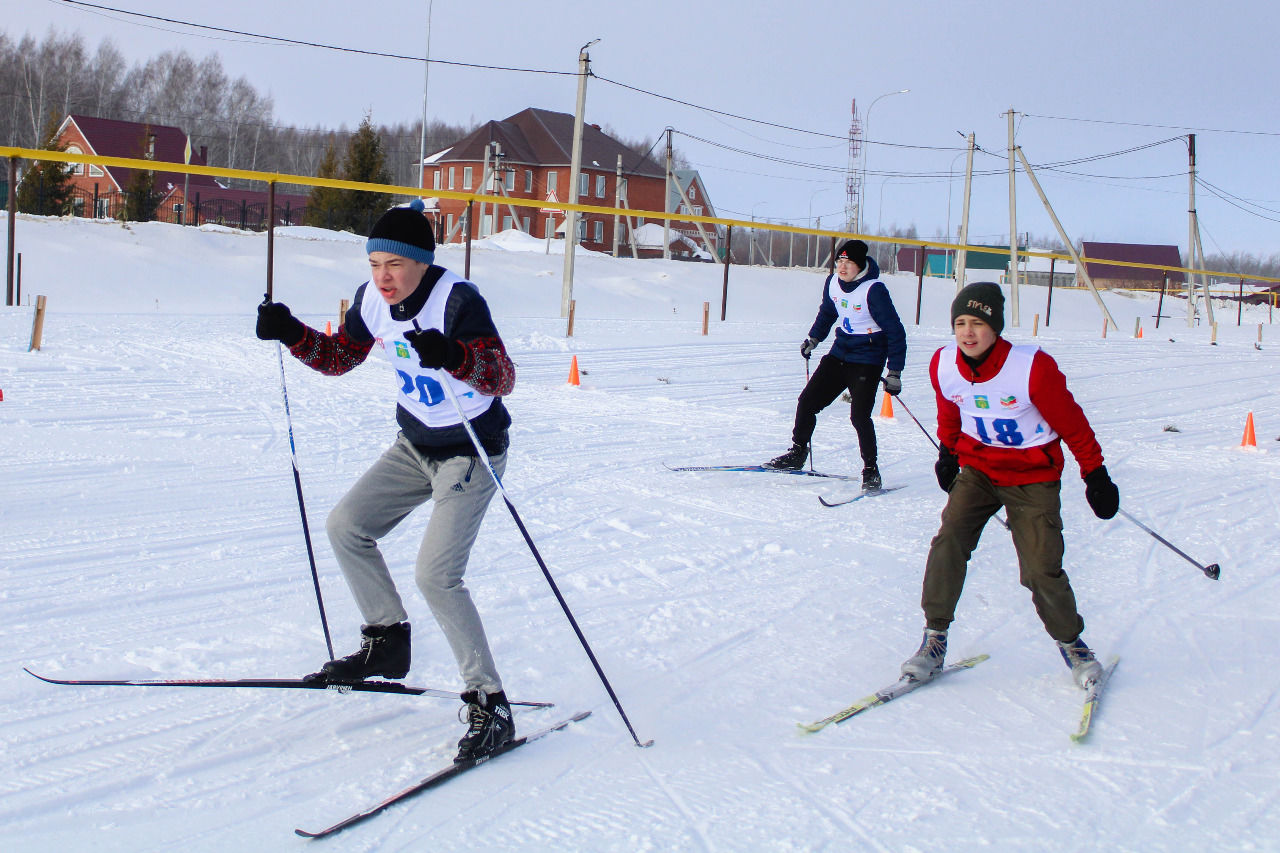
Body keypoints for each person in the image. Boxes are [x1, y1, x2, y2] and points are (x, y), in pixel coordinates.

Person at [255, 199, 517, 762]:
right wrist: (290, 331)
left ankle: (489, 703)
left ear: (421, 262)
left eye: (394, 264)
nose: (383, 276)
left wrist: (452, 353)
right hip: (414, 445)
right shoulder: (373, 299)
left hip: (470, 450)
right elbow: (337, 358)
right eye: (374, 263)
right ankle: (387, 643)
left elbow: (501, 377)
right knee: (346, 526)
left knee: (436, 576)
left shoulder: (457, 299)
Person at [900, 282, 1120, 690]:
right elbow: (950, 410)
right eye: (960, 323)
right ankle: (934, 639)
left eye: (978, 323)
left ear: (996, 328)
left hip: (1032, 477)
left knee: (1039, 569)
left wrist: (1096, 475)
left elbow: (1073, 424)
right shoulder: (944, 363)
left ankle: (1073, 645)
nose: (968, 332)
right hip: (979, 471)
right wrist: (948, 453)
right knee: (949, 541)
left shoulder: (1032, 368)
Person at [766, 239, 907, 490]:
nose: (842, 267)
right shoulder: (832, 283)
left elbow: (895, 331)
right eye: (839, 261)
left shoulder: (874, 290)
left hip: (868, 359)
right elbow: (828, 313)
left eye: (849, 262)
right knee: (807, 402)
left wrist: (894, 371)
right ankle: (798, 452)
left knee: (859, 416)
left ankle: (871, 469)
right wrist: (814, 338)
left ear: (860, 265)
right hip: (840, 353)